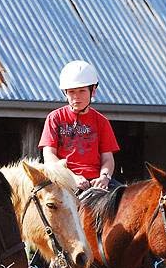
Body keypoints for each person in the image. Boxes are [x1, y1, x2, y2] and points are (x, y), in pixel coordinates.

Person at [39, 60, 120, 192]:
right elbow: (49, 156)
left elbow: (108, 159)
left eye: (82, 91)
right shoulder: (55, 118)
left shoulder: (102, 121)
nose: (76, 97)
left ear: (93, 90)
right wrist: (72, 177)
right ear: (65, 92)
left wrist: (104, 177)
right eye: (71, 92)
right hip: (64, 180)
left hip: (96, 182)